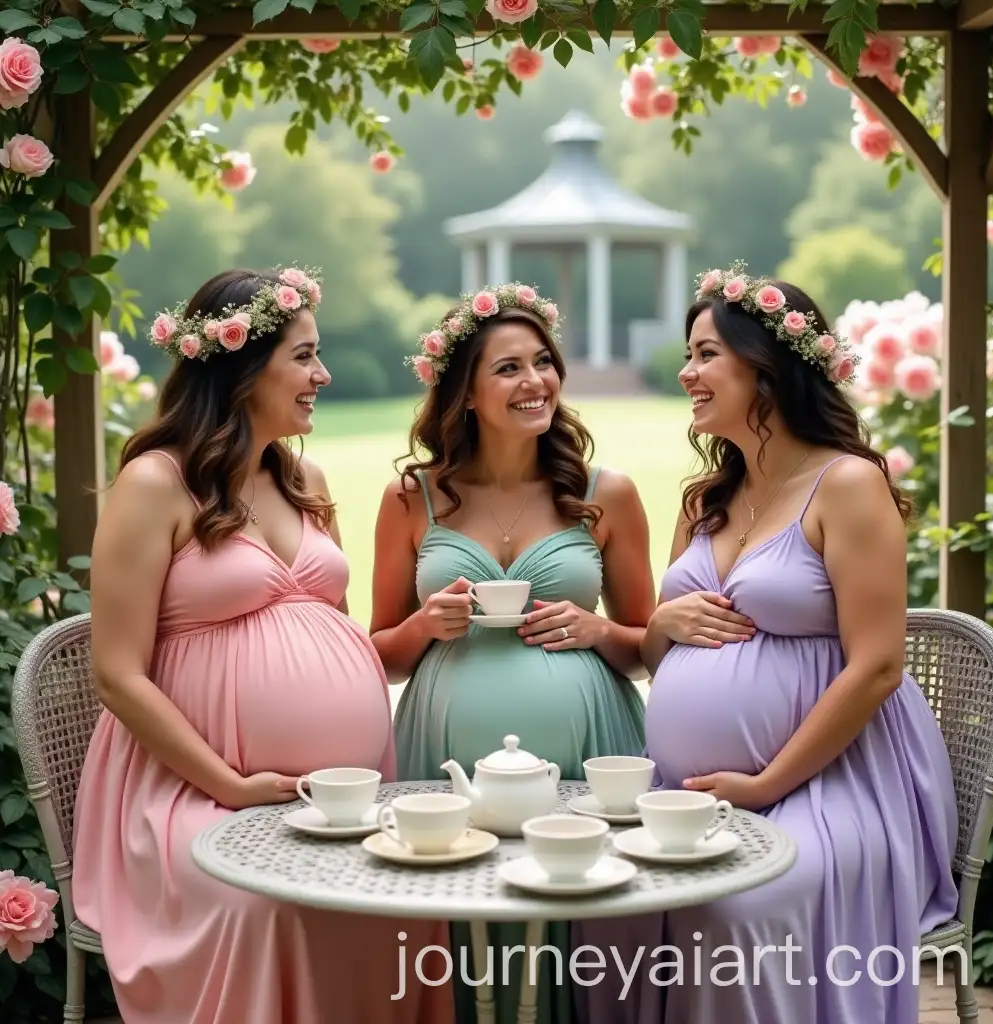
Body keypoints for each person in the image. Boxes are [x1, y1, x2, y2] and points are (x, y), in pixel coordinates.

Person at [572, 263, 959, 1024]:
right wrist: (660, 626)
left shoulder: (846, 485)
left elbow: (878, 667)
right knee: (605, 902)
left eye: (706, 353)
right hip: (690, 794)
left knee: (735, 910)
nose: (687, 372)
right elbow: (662, 657)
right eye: (689, 354)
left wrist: (766, 783)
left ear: (769, 367)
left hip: (832, 783)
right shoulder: (707, 502)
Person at [72, 268, 454, 1024]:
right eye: (305, 356)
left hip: (340, 792)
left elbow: (332, 632)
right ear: (244, 367)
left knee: (411, 886)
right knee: (267, 904)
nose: (324, 374)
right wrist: (230, 784)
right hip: (189, 793)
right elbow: (117, 676)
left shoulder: (301, 477)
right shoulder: (156, 484)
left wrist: (416, 633)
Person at [369, 283, 655, 1023]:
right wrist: (426, 624)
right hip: (445, 748)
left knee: (583, 936)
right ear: (464, 391)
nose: (535, 382)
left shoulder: (606, 496)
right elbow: (381, 653)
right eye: (508, 368)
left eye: (543, 363)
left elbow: (649, 647)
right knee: (450, 928)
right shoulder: (412, 499)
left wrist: (598, 633)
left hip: (586, 745)